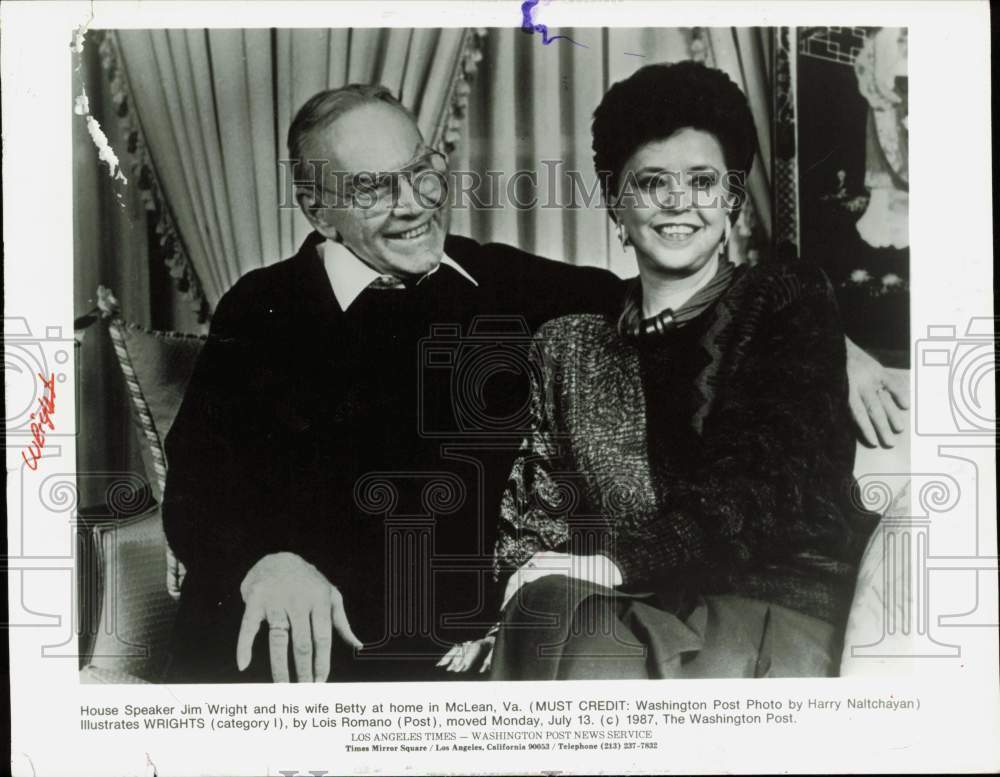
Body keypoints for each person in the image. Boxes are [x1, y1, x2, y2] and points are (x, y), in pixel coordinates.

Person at [163, 78, 903, 684]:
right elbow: (195, 487)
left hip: (460, 652)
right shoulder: (265, 307)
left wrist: (833, 342)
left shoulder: (499, 283)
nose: (415, 202)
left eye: (421, 169)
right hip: (306, 640)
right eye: (372, 188)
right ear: (317, 208)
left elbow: (675, 292)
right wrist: (264, 561)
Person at [443, 61, 881, 680]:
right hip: (631, 605)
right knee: (544, 615)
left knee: (587, 662)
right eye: (652, 183)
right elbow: (535, 524)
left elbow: (757, 489)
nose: (679, 202)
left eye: (703, 181)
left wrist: (611, 565)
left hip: (769, 604)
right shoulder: (570, 343)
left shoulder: (787, 299)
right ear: (616, 204)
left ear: (732, 198)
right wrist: (506, 620)